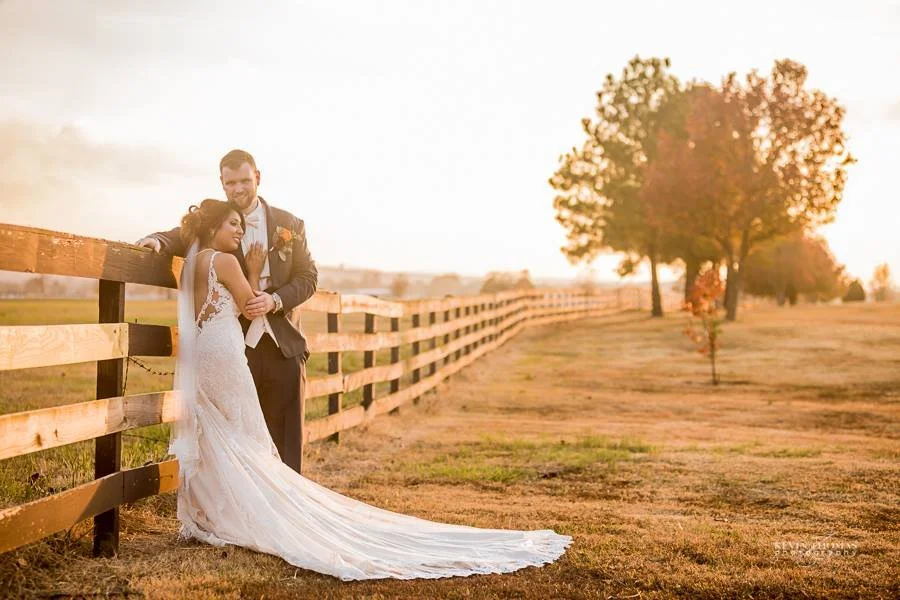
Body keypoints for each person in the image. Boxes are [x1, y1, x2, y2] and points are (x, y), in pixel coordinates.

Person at [168, 198, 572, 580]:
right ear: (214, 226)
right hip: (226, 354)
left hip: (202, 353)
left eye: (241, 224)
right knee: (242, 432)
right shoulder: (225, 261)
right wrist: (254, 270)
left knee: (214, 431)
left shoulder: (192, 264)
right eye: (232, 224)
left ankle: (209, 514)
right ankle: (249, 512)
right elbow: (248, 304)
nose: (239, 231)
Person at [137, 149, 315, 473]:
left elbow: (308, 278)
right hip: (234, 345)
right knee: (241, 432)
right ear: (222, 182)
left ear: (257, 177)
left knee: (285, 435)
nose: (238, 189)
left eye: (245, 181)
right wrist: (156, 240)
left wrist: (275, 301)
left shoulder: (290, 224)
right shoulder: (220, 221)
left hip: (281, 343)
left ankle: (285, 506)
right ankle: (246, 508)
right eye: (231, 182)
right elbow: (180, 234)